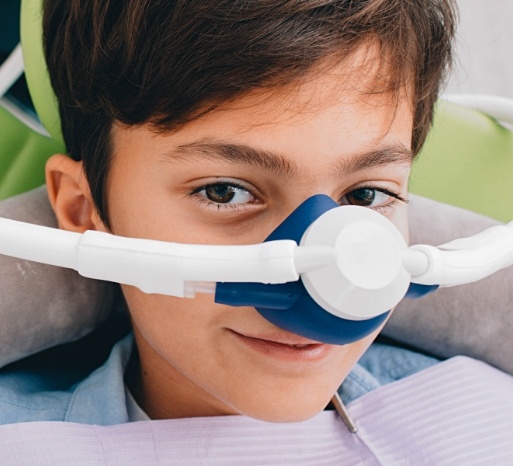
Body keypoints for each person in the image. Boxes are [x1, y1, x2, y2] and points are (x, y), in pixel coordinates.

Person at [2, 0, 457, 430]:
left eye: (365, 195)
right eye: (225, 192)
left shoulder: (484, 416)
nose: (320, 280)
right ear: (84, 209)